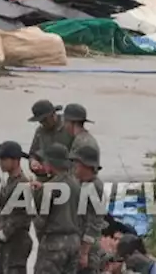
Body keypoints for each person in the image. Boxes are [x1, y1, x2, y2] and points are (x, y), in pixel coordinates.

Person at [33, 144, 82, 274]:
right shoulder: (76, 184)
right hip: (74, 243)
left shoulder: (49, 188)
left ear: (51, 163)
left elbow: (40, 223)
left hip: (54, 245)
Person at [0, 140, 34, 274]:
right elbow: (5, 211)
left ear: (15, 161)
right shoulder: (10, 182)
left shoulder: (23, 184)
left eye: (4, 159)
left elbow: (19, 218)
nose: (0, 163)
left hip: (17, 243)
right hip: (7, 241)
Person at [72, 144, 107, 273]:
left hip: (88, 248)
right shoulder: (79, 183)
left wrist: (84, 252)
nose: (75, 166)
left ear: (87, 165)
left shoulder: (94, 186)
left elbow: (95, 222)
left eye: (78, 163)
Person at [27, 99, 72, 179]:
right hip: (45, 177)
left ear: (53, 115)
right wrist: (33, 162)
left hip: (66, 177)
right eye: (40, 121)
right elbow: (33, 153)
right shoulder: (40, 132)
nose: (43, 123)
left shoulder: (68, 128)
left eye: (45, 120)